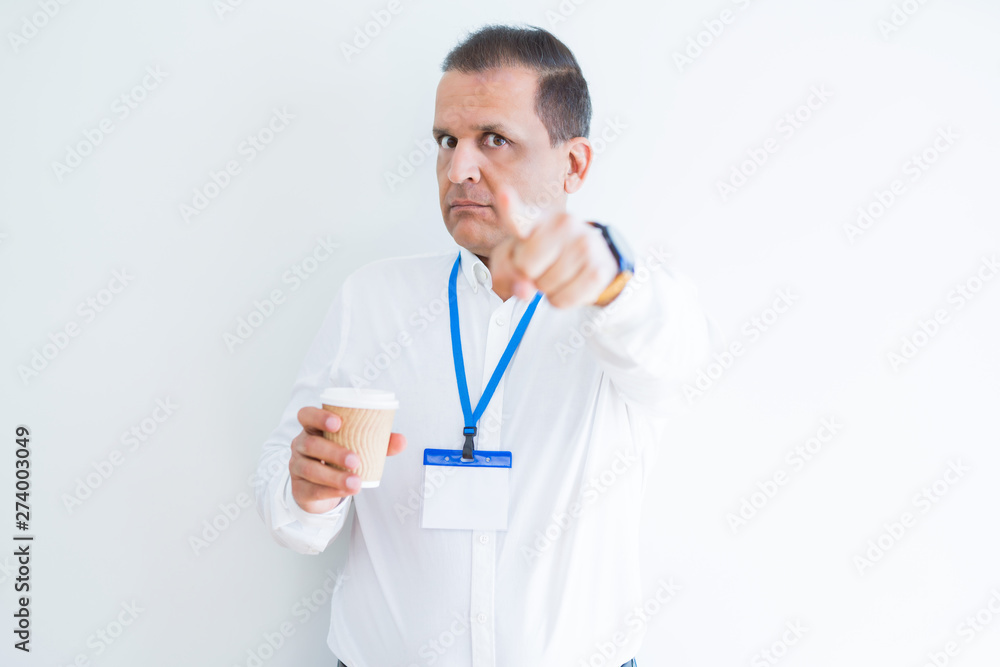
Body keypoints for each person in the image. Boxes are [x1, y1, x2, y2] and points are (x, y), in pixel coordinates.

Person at [255, 23, 713, 667]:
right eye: (447, 141)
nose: (458, 168)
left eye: (493, 140)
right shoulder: (374, 298)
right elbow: (293, 511)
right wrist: (307, 492)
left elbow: (675, 358)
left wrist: (605, 278)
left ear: (574, 163)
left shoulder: (629, 306)